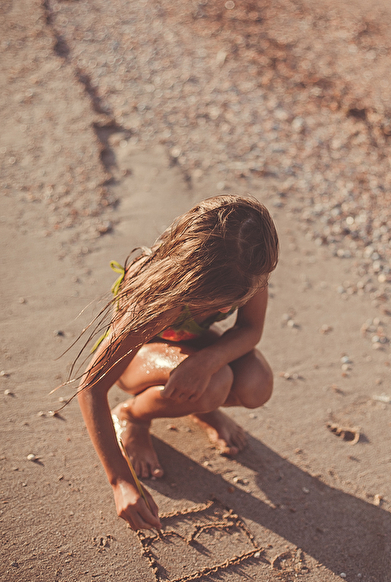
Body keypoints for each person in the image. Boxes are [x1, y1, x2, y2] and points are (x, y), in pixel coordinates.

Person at [77, 195, 279, 532]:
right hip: (137, 361)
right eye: (223, 301)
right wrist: (120, 481)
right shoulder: (156, 297)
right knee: (215, 385)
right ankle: (133, 416)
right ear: (193, 281)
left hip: (189, 349)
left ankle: (199, 404)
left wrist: (207, 361)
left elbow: (250, 329)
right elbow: (90, 387)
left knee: (256, 383)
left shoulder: (249, 266)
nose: (230, 307)